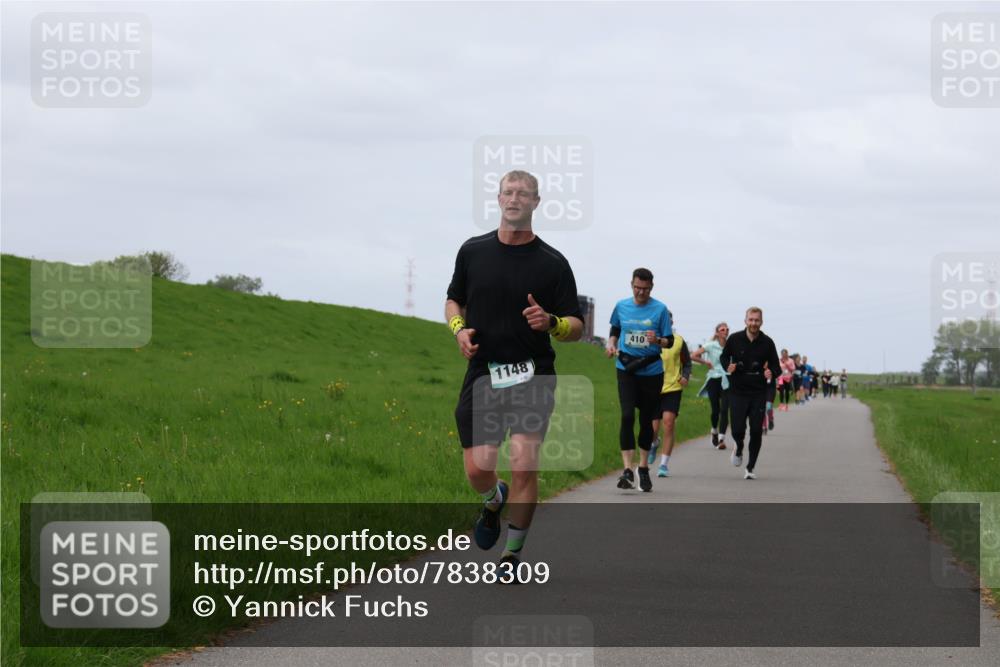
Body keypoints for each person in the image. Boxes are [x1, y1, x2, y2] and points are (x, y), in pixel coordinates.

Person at [446, 170, 584, 574]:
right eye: (509, 191)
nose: (515, 198)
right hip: (484, 373)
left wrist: (552, 322)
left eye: (524, 193)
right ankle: (493, 498)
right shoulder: (473, 251)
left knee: (524, 462)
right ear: (498, 197)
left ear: (537, 203)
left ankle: (511, 555)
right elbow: (453, 301)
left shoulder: (553, 264)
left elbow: (575, 327)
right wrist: (459, 331)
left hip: (533, 374)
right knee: (478, 469)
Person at [605, 268, 673, 492]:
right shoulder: (621, 305)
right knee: (626, 416)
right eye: (636, 287)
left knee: (646, 421)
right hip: (625, 368)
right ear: (631, 285)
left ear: (651, 287)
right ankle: (626, 470)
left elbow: (670, 341)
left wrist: (658, 340)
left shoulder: (660, 309)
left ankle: (642, 468)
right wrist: (611, 343)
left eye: (644, 289)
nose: (640, 292)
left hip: (652, 371)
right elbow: (615, 328)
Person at [723, 307, 781, 480]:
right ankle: (739, 446)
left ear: (761, 322)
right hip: (738, 390)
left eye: (757, 320)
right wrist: (729, 366)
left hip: (758, 391)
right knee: (738, 429)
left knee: (756, 430)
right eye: (751, 320)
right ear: (745, 321)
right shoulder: (734, 339)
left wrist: (771, 372)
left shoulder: (767, 342)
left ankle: (750, 467)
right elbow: (724, 358)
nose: (754, 323)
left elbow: (776, 366)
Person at [648, 311, 692, 477]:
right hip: (652, 386)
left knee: (668, 423)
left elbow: (687, 363)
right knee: (652, 429)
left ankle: (664, 465)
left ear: (672, 322)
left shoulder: (678, 341)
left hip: (672, 387)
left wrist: (685, 376)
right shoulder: (649, 338)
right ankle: (654, 443)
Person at [692, 323, 731, 450]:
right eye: (722, 329)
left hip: (727, 379)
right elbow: (693, 355)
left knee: (725, 410)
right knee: (716, 410)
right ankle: (714, 430)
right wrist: (705, 362)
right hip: (713, 379)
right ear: (717, 332)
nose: (725, 331)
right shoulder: (710, 345)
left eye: (727, 329)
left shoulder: (731, 345)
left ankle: (721, 439)